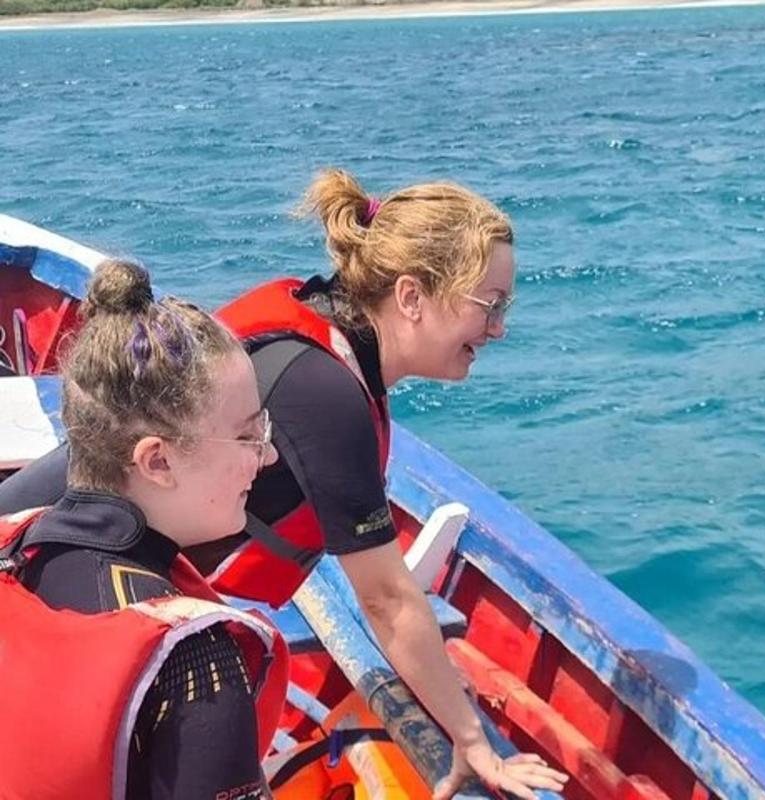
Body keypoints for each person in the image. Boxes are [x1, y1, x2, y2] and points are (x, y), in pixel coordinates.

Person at [0, 171, 567, 800]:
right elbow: (385, 599)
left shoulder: (316, 326)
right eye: (490, 305)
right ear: (412, 297)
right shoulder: (326, 395)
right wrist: (472, 742)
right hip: (68, 571)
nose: (499, 329)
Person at [0, 259, 288, 799]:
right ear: (156, 462)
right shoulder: (195, 666)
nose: (268, 455)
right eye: (249, 435)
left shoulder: (16, 555)